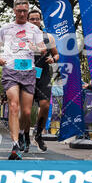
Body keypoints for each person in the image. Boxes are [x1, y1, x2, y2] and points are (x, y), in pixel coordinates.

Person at [0, 0, 45, 160]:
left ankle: (22, 133)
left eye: (25, 11)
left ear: (27, 11)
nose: (22, 13)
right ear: (14, 11)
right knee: (14, 106)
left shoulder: (34, 30)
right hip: (10, 70)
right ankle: (15, 143)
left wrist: (36, 48)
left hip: (28, 71)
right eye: (19, 11)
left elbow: (43, 48)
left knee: (27, 112)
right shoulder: (6, 28)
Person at [28, 9, 59, 153]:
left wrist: (53, 59)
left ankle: (38, 134)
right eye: (31, 19)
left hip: (44, 73)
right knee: (26, 110)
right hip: (26, 74)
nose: (34, 21)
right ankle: (24, 138)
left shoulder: (48, 37)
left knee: (45, 105)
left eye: (37, 19)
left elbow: (56, 54)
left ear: (40, 20)